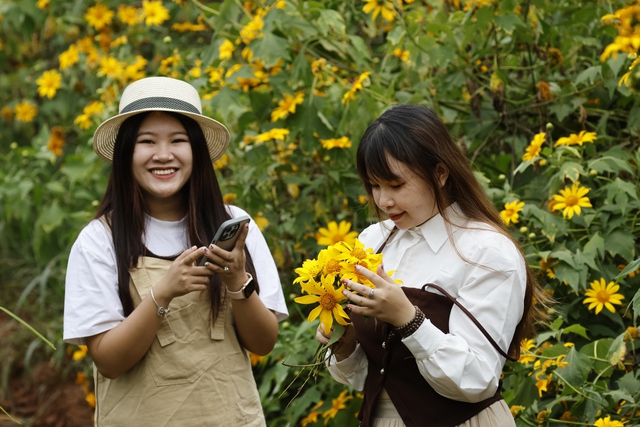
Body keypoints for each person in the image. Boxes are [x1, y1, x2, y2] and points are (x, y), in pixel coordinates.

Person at [63, 76, 288, 426]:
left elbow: (263, 342)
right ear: (126, 153)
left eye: (178, 140)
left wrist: (236, 280)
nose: (163, 155)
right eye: (147, 141)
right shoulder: (98, 240)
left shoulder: (237, 225)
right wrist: (162, 294)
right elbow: (108, 360)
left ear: (196, 150)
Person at [315, 104, 548, 427]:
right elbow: (365, 378)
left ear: (440, 173)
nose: (383, 201)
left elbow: (478, 379)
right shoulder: (371, 242)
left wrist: (408, 319)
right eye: (375, 185)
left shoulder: (487, 251)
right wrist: (345, 342)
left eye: (396, 185)